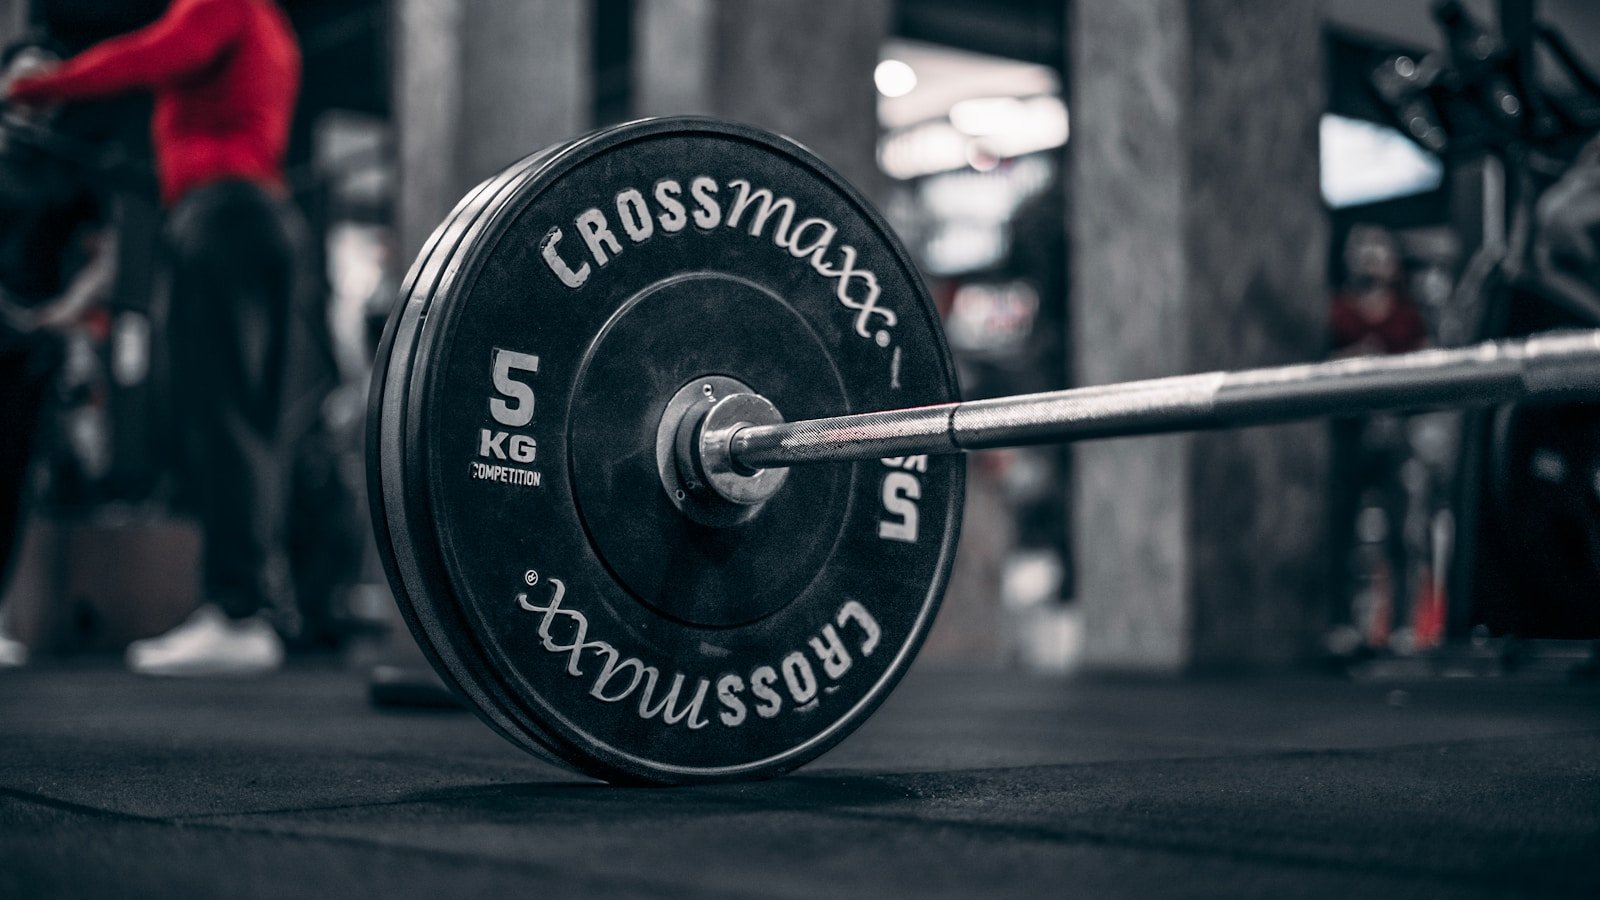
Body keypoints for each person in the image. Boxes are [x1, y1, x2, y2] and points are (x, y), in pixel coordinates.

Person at [7, 0, 304, 676]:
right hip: (262, 217)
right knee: (247, 420)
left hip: (222, 216)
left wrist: (38, 84)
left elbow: (153, 55)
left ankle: (238, 610)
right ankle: (251, 606)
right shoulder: (272, 25)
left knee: (215, 416)